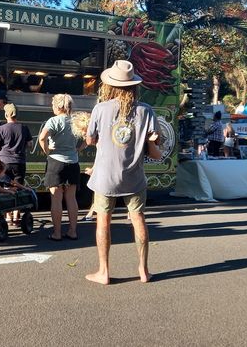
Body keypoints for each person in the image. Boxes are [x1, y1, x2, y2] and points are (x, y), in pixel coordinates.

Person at [85, 60, 162, 285]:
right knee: (139, 219)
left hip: (104, 176)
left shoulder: (100, 108)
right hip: (134, 176)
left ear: (111, 85)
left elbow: (90, 139)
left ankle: (104, 272)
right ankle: (144, 270)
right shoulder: (146, 111)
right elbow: (154, 145)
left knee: (103, 221)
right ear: (134, 85)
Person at [38, 94, 84, 241]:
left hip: (56, 162)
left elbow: (42, 137)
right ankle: (73, 231)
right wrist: (79, 149)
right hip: (73, 162)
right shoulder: (75, 121)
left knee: (56, 199)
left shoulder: (54, 121)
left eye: (53, 105)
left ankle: (57, 233)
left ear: (59, 107)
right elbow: (89, 138)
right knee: (71, 198)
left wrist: (47, 150)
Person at [0, 103, 33, 225]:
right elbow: (30, 145)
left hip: (4, 163)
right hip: (19, 162)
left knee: (5, 188)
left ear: (6, 114)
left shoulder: (1, 129)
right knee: (18, 186)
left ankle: (7, 216)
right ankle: (16, 217)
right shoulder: (24, 128)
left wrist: (0, 148)